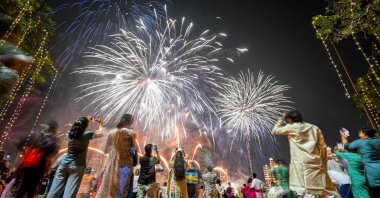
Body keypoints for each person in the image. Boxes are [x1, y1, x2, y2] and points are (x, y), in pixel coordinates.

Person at [271, 110, 336, 197]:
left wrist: (282, 118)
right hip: (316, 163)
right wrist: (323, 161)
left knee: (308, 192)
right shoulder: (314, 128)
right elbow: (323, 147)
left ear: (290, 120)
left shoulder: (291, 127)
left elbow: (274, 131)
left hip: (301, 165)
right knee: (321, 191)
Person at [47, 116, 104, 198]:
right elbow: (100, 133)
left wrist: (85, 119)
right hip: (77, 167)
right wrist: (100, 123)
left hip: (63, 166)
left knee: (53, 192)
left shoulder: (70, 134)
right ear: (86, 126)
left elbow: (79, 125)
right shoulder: (87, 134)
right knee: (69, 194)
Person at [96, 114, 137, 198]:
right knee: (120, 192)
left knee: (109, 190)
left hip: (112, 166)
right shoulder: (131, 133)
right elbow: (134, 150)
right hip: (125, 167)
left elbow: (106, 150)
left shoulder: (111, 133)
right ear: (130, 122)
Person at [16, 121, 59, 198]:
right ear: (54, 129)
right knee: (31, 189)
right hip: (38, 166)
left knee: (24, 187)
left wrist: (23, 150)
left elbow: (21, 142)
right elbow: (51, 151)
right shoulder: (52, 139)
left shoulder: (38, 135)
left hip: (29, 165)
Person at [340, 126, 380, 197]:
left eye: (360, 132)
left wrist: (343, 137)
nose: (359, 133)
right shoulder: (378, 140)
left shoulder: (361, 142)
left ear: (364, 134)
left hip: (373, 176)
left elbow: (347, 146)